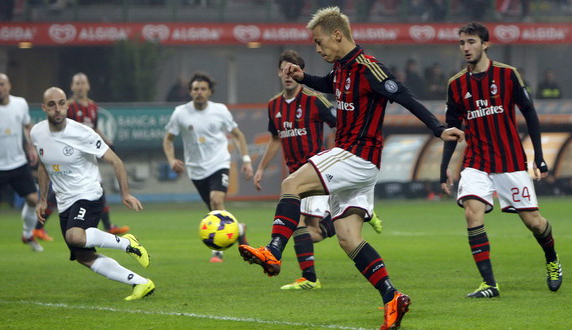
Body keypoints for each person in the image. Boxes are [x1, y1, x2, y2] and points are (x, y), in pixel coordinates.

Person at [238, 7, 464, 330]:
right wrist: (304, 78)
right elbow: (328, 84)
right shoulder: (342, 69)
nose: (317, 49)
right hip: (361, 166)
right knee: (347, 238)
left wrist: (437, 128)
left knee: (291, 184)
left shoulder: (368, 67)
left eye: (319, 43)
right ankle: (392, 296)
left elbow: (403, 95)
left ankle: (274, 251)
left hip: (355, 155)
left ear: (338, 35)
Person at [440, 22, 562, 298]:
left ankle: (552, 259)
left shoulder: (508, 75)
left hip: (510, 161)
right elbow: (452, 129)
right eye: (462, 43)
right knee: (472, 214)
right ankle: (489, 284)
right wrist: (445, 168)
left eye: (471, 42)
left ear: (485, 44)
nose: (465, 48)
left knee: (533, 221)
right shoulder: (456, 84)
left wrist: (539, 158)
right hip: (476, 161)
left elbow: (530, 114)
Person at [255, 49, 382, 290]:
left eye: (293, 70)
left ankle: (310, 276)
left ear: (299, 72)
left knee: (302, 228)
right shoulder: (274, 105)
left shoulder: (315, 100)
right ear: (279, 73)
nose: (288, 75)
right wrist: (261, 167)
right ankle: (311, 276)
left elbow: (340, 125)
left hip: (321, 172)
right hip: (297, 174)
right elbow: (274, 139)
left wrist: (341, 158)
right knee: (306, 229)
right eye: (285, 70)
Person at [32, 87, 154, 301]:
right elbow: (43, 165)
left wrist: (125, 194)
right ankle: (141, 283)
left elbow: (116, 160)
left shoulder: (83, 133)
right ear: (44, 108)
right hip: (64, 201)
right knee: (84, 256)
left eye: (61, 103)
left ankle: (128, 243)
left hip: (88, 194)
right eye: (51, 105)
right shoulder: (37, 133)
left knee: (75, 236)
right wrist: (43, 199)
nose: (57, 109)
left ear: (67, 105)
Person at [163, 72, 253, 263]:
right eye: (195, 89)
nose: (199, 92)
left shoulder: (220, 110)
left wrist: (246, 160)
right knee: (213, 209)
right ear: (190, 91)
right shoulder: (180, 113)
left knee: (216, 200)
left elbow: (237, 135)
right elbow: (168, 140)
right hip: (196, 170)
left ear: (210, 92)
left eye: (203, 89)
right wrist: (171, 159)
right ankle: (240, 229)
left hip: (219, 163)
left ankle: (217, 250)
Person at [34, 73, 130, 240]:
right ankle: (38, 228)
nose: (79, 86)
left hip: (86, 156)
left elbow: (93, 128)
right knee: (60, 192)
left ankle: (108, 227)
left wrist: (106, 140)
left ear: (88, 86)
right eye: (76, 83)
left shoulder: (93, 106)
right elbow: (62, 129)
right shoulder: (67, 106)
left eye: (82, 83)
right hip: (68, 157)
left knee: (94, 190)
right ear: (72, 87)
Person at [0, 73, 43, 254]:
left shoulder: (20, 104)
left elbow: (27, 125)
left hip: (18, 163)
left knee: (33, 199)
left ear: (9, 86)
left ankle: (27, 235)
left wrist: (31, 147)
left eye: (1, 84)